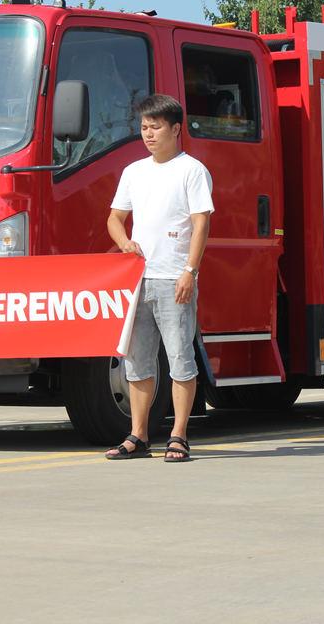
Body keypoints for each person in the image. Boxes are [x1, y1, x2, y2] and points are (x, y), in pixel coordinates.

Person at [104, 94, 213, 463]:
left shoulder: (191, 170)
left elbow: (201, 223)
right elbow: (114, 219)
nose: (148, 134)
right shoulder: (134, 172)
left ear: (176, 129)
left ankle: (179, 435)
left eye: (155, 127)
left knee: (181, 357)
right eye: (144, 128)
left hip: (173, 277)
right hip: (139, 279)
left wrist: (190, 271)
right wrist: (124, 243)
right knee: (136, 361)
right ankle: (138, 435)